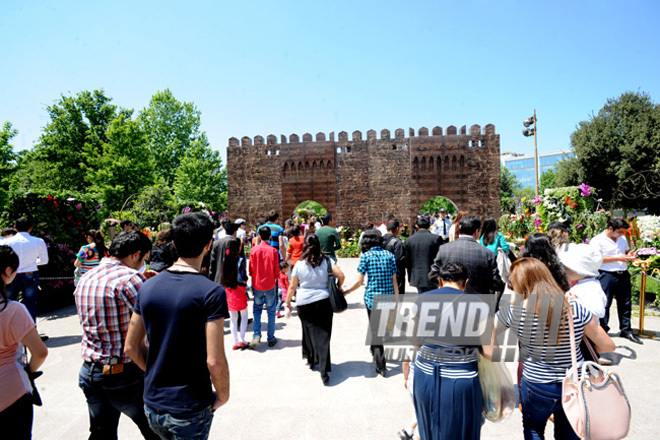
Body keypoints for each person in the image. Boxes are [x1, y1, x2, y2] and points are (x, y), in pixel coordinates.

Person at [483, 258, 615, 440]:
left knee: (533, 429)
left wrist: (493, 357)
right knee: (571, 432)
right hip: (573, 382)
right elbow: (608, 345)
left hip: (536, 383)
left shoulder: (513, 311)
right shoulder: (575, 307)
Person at [124, 212, 230, 440]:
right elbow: (215, 359)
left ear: (174, 243)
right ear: (208, 245)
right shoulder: (211, 292)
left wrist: (154, 372)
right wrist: (223, 395)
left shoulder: (148, 286)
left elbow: (131, 347)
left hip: (153, 403)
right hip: (189, 406)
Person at [74, 230, 158, 440]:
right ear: (136, 254)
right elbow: (156, 323)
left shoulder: (86, 277)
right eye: (144, 259)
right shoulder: (130, 280)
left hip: (91, 370)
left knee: (102, 433)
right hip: (124, 373)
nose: (143, 265)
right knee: (156, 431)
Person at [413, 263, 483, 440]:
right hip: (461, 379)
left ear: (440, 281)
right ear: (465, 282)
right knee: (462, 432)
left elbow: (414, 342)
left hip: (425, 376)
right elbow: (489, 352)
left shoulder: (422, 299)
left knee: (428, 429)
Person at [0, 245, 48, 439]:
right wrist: (30, 370)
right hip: (12, 391)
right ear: (8, 272)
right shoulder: (13, 310)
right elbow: (40, 352)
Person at [285, 234, 345, 384]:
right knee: (323, 335)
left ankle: (311, 359)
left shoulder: (299, 264)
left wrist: (287, 302)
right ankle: (324, 371)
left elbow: (292, 286)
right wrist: (339, 286)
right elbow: (341, 275)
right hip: (324, 302)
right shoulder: (327, 261)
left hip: (304, 303)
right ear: (319, 245)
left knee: (308, 332)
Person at [344, 229, 398, 376]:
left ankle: (381, 365)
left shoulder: (366, 257)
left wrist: (346, 292)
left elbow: (359, 281)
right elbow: (395, 280)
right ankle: (375, 349)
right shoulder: (390, 255)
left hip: (372, 298)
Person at [589, 218, 641, 344]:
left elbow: (626, 251)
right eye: (620, 232)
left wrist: (631, 255)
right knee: (604, 303)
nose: (622, 234)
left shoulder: (622, 239)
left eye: (624, 232)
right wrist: (618, 258)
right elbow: (597, 258)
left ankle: (626, 330)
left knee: (626, 303)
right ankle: (603, 330)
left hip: (622, 273)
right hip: (606, 274)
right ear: (610, 228)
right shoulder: (597, 240)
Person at [429, 215, 504, 296]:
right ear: (476, 232)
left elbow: (433, 275)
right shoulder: (487, 254)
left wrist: (448, 284)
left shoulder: (444, 249)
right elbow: (496, 283)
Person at [559, 244, 608, 362]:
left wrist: (575, 302)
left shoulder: (590, 287)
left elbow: (599, 311)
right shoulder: (584, 284)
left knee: (585, 364)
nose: (565, 271)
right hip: (581, 333)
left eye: (568, 268)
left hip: (586, 335)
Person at [3, 218, 49, 337]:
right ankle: (32, 333)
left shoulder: (6, 242)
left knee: (7, 304)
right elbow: (44, 261)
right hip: (30, 274)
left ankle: (8, 333)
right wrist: (32, 262)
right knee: (30, 304)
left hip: (12, 275)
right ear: (31, 228)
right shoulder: (38, 241)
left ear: (15, 228)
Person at [249, 226, 281, 348]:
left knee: (257, 309)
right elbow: (276, 270)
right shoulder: (273, 251)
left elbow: (251, 269)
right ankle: (271, 337)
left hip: (257, 284)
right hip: (270, 284)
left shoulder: (253, 250)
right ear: (270, 236)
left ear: (259, 237)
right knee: (271, 311)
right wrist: (276, 277)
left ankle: (256, 334)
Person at [404, 217, 443, 293]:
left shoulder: (409, 240)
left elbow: (407, 261)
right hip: (433, 274)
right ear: (429, 226)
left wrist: (410, 277)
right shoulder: (436, 239)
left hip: (417, 275)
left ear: (417, 226)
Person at [223, 237, 249, 349]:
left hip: (229, 289)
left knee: (233, 317)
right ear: (238, 247)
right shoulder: (240, 260)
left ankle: (235, 341)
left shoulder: (225, 260)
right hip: (239, 289)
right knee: (244, 315)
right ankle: (242, 339)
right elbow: (244, 276)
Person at [383, 219, 407, 295]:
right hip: (396, 275)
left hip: (382, 273)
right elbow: (399, 259)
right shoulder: (397, 242)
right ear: (397, 229)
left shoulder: (380, 240)